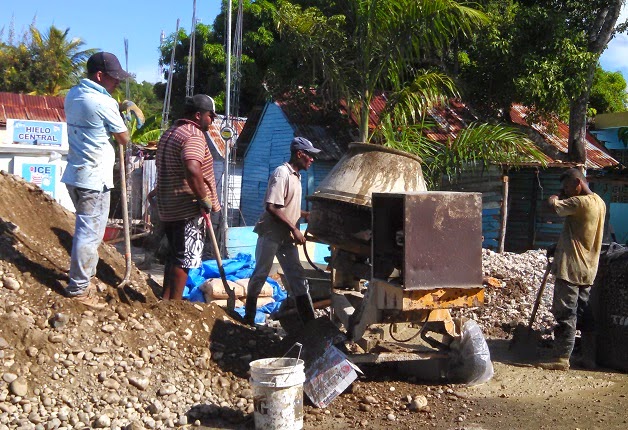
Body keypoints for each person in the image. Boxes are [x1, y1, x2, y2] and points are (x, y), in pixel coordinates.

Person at [61, 51, 132, 309]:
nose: (117, 82)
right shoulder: (103, 102)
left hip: (75, 175)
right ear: (100, 75)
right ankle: (79, 288)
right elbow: (124, 138)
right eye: (114, 78)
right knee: (89, 235)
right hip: (95, 179)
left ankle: (86, 278)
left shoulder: (73, 95)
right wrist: (122, 116)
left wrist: (115, 111)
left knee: (87, 231)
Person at [243, 137, 320, 326]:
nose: (312, 159)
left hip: (286, 236)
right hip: (271, 233)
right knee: (261, 273)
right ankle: (248, 319)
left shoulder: (297, 176)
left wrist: (305, 215)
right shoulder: (282, 173)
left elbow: (286, 206)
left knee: (297, 277)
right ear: (299, 154)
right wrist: (294, 228)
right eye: (309, 156)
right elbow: (272, 206)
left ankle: (310, 325)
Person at [537, 168, 606, 370]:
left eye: (567, 186)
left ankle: (561, 358)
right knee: (585, 313)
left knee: (565, 313)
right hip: (588, 268)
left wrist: (556, 196)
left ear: (578, 183)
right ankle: (589, 358)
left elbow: (551, 206)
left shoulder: (579, 202)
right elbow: (580, 232)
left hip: (571, 268)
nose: (566, 190)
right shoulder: (599, 202)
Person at [156, 94, 221, 300]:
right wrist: (203, 198)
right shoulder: (193, 134)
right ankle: (174, 305)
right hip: (187, 208)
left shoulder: (171, 132)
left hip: (169, 206)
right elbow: (192, 167)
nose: (212, 121)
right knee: (184, 259)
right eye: (210, 116)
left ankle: (166, 300)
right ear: (198, 115)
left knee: (175, 256)